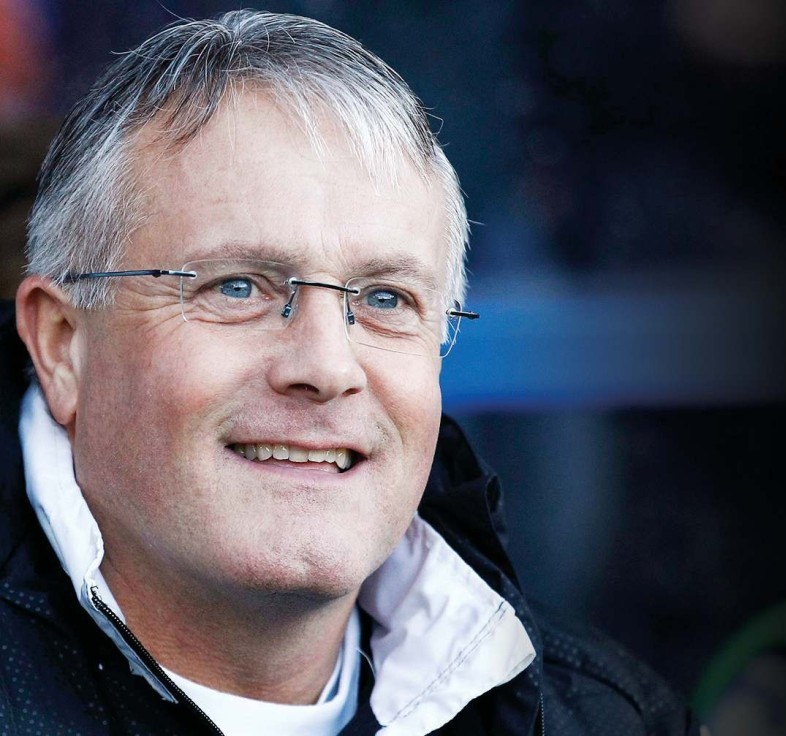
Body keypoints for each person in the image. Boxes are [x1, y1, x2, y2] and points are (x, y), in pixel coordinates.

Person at [0, 9, 702, 735]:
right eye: (238, 287)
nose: (327, 367)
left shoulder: (612, 719)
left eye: (385, 299)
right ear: (61, 343)